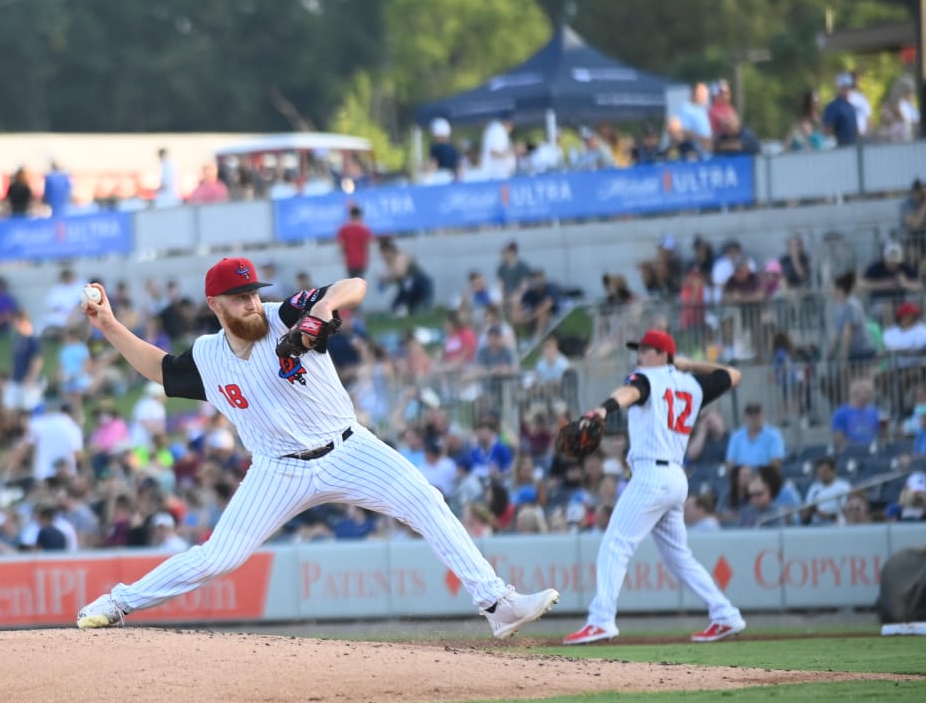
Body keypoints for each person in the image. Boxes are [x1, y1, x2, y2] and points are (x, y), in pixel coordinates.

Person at [73, 257, 559, 637]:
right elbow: (160, 369)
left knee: (426, 499)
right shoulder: (207, 356)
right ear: (214, 305)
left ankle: (497, 604)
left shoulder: (284, 314)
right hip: (276, 470)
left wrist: (324, 309)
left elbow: (354, 286)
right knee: (217, 558)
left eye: (251, 291)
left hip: (348, 449)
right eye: (237, 296)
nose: (249, 301)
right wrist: (109, 325)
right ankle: (118, 603)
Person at [564, 330, 746, 645]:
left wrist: (605, 408)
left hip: (652, 474)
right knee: (679, 556)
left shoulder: (648, 377)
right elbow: (733, 374)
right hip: (676, 477)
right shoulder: (693, 383)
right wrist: (688, 365)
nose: (641, 355)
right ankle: (725, 614)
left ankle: (601, 620)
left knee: (615, 544)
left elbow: (631, 392)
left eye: (648, 350)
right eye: (640, 350)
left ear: (663, 355)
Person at [336, 206, 373, 279]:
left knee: (352, 282)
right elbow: (368, 246)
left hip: (350, 261)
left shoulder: (344, 229)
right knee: (360, 281)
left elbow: (341, 246)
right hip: (362, 261)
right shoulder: (365, 229)